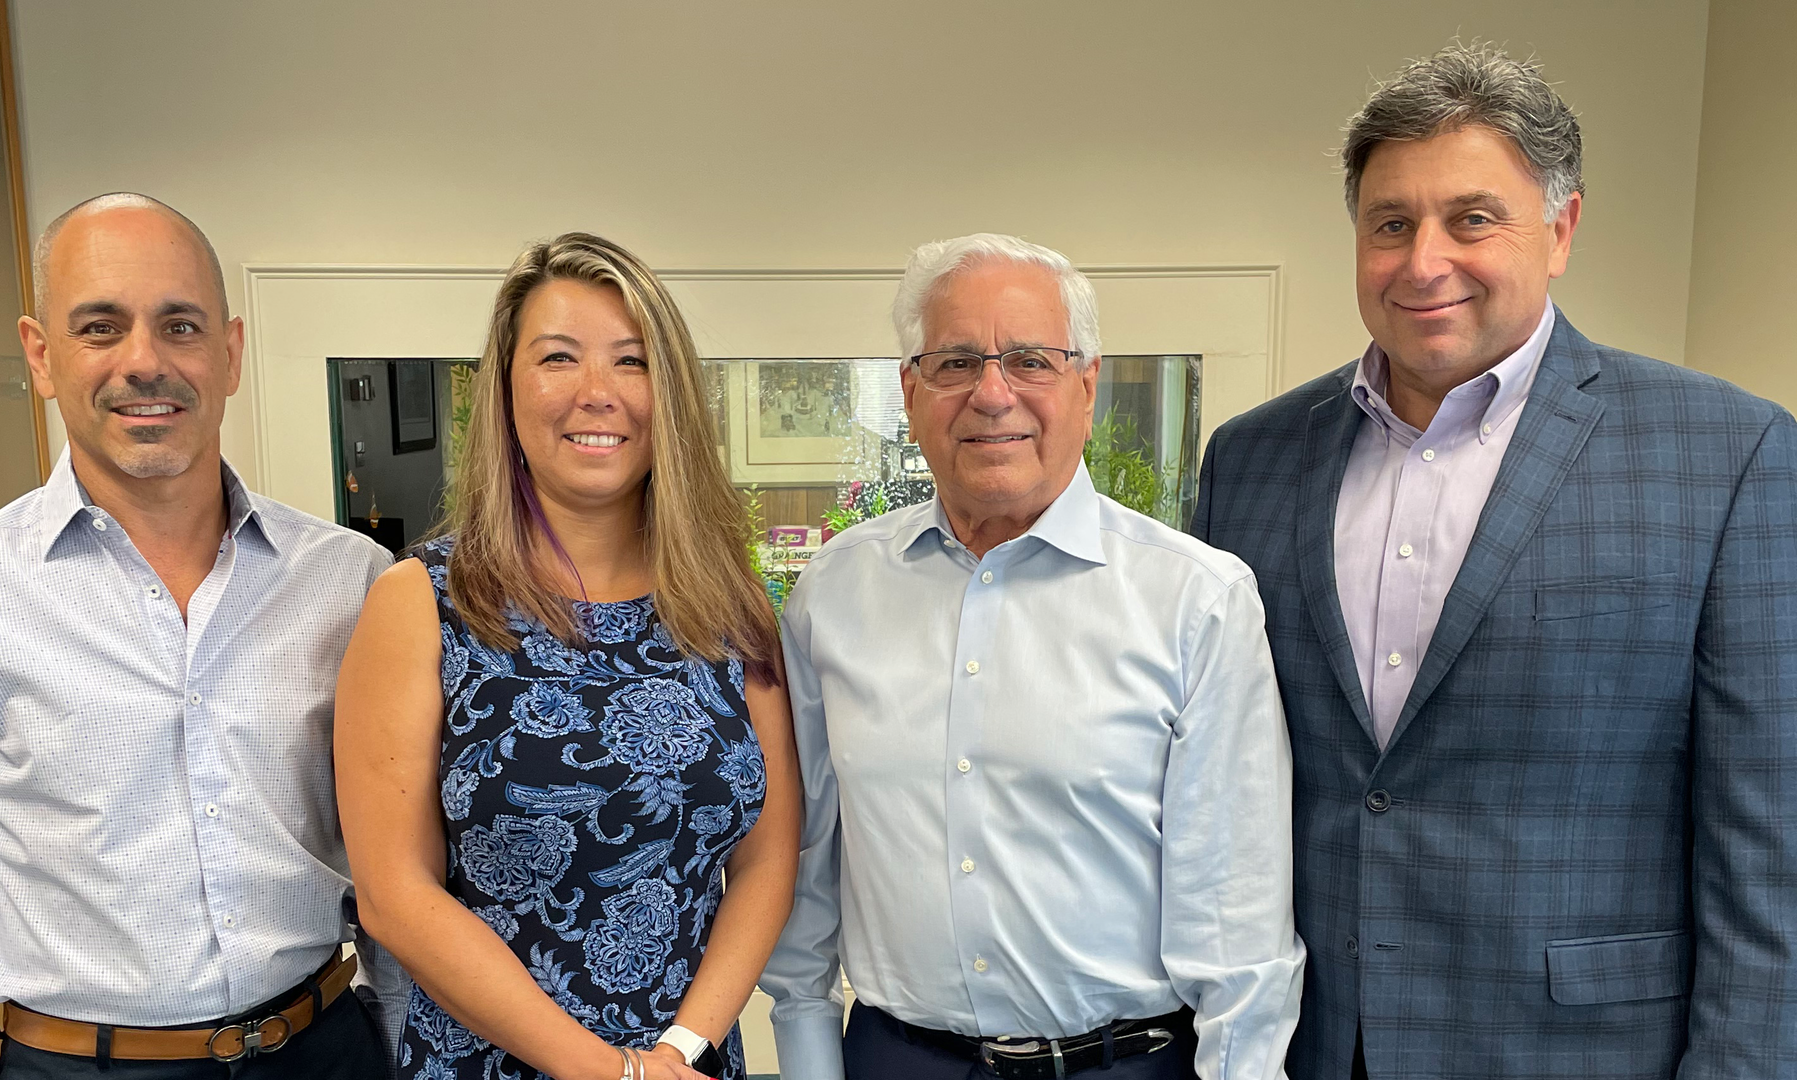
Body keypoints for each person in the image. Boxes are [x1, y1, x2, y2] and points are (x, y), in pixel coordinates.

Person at [1191, 43, 1797, 1080]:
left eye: (1472, 218)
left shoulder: (1726, 453)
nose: (1424, 261)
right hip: (1309, 1046)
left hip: (1584, 1052)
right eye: (1391, 224)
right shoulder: (1251, 459)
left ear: (1559, 229)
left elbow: (1771, 842)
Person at [0, 193, 399, 1078]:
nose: (145, 362)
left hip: (327, 1051)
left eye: (181, 325)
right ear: (41, 355)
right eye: (100, 327)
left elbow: (400, 856)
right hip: (82, 1066)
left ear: (230, 354)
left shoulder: (350, 583)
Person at [762, 233, 1303, 1080]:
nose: (991, 393)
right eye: (954, 363)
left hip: (1128, 1064)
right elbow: (804, 873)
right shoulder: (833, 593)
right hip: (896, 1060)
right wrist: (805, 1056)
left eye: (1029, 360)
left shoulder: (1196, 600)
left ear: (1087, 385)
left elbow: (1239, 925)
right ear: (909, 391)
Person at [335, 232, 802, 1080]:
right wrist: (606, 1072)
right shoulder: (423, 603)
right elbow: (396, 897)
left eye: (632, 362)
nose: (598, 394)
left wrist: (676, 1051)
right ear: (505, 391)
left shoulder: (727, 607)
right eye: (558, 358)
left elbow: (768, 858)